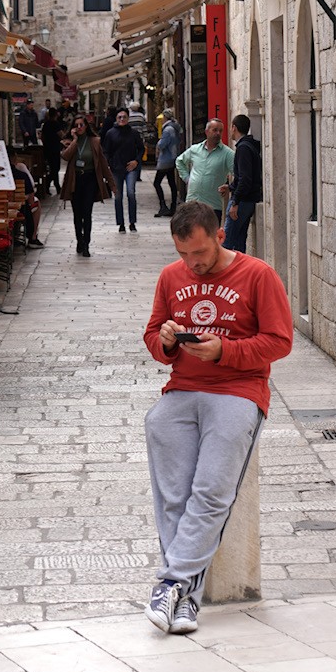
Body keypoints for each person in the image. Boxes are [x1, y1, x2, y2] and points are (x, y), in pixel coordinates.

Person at [142, 200, 293, 634]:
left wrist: (224, 350)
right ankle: (185, 600)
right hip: (182, 391)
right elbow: (152, 338)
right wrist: (167, 340)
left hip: (238, 391)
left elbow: (280, 341)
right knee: (173, 495)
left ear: (220, 236)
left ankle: (170, 583)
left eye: (200, 253)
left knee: (210, 494)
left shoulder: (258, 275)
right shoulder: (171, 277)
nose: (192, 263)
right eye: (183, 254)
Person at [60, 114, 115, 257]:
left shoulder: (94, 141)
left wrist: (112, 184)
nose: (79, 128)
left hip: (90, 179)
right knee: (77, 214)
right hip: (75, 180)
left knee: (87, 212)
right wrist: (74, 141)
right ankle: (79, 239)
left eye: (81, 125)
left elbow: (103, 163)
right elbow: (65, 156)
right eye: (76, 125)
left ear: (86, 126)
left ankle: (86, 244)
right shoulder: (69, 142)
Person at [176, 119, 234, 226]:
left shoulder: (228, 154)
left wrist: (230, 187)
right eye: (215, 130)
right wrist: (187, 178)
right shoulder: (195, 149)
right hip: (192, 203)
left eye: (220, 131)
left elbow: (238, 174)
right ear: (207, 132)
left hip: (213, 206)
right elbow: (179, 161)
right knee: (190, 233)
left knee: (210, 235)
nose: (218, 133)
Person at [219, 114, 263, 253]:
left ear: (234, 128)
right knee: (238, 243)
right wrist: (230, 187)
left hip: (243, 201)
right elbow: (243, 178)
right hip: (248, 199)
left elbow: (245, 179)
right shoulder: (248, 146)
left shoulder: (243, 148)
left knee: (226, 244)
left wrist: (235, 202)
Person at [103, 107, 144, 233]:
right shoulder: (110, 133)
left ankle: (132, 222)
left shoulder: (134, 133)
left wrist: (136, 161)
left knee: (131, 193)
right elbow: (106, 151)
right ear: (116, 118)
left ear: (128, 118)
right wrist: (109, 165)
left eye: (124, 117)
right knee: (118, 196)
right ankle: (121, 223)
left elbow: (141, 148)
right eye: (119, 117)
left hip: (131, 168)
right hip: (116, 169)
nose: (122, 119)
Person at [7, 146, 44, 248]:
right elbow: (31, 197)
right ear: (14, 158)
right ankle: (33, 237)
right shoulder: (21, 175)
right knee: (35, 205)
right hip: (19, 209)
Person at [153, 110, 180, 217]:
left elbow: (162, 144)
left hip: (165, 159)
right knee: (172, 183)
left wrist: (158, 143)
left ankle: (163, 206)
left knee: (157, 182)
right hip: (172, 157)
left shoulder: (167, 129)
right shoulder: (175, 127)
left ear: (165, 117)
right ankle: (173, 207)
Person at [41, 107, 63, 195]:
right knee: (55, 168)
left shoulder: (46, 124)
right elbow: (61, 134)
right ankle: (53, 185)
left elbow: (42, 137)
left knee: (52, 168)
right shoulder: (55, 124)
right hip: (55, 149)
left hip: (47, 149)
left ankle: (52, 185)